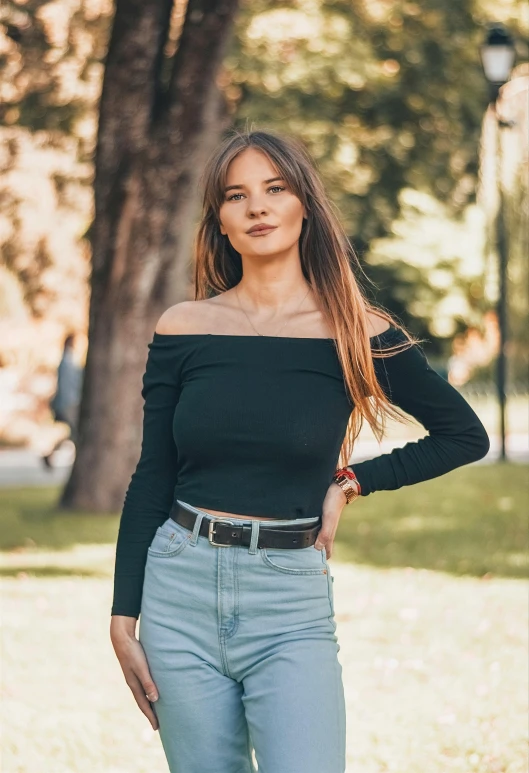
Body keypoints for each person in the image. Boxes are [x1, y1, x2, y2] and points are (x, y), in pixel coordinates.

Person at [109, 129, 490, 773]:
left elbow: (464, 436)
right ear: (221, 222)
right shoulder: (184, 328)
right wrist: (125, 612)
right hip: (179, 587)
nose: (257, 207)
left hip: (288, 599)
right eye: (237, 196)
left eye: (275, 189)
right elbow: (155, 473)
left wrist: (351, 482)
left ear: (304, 206)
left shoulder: (355, 332)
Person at [42, 333, 83, 468]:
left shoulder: (69, 359)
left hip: (69, 402)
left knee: (73, 433)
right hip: (69, 403)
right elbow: (67, 385)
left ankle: (51, 454)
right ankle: (76, 459)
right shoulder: (66, 361)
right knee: (77, 432)